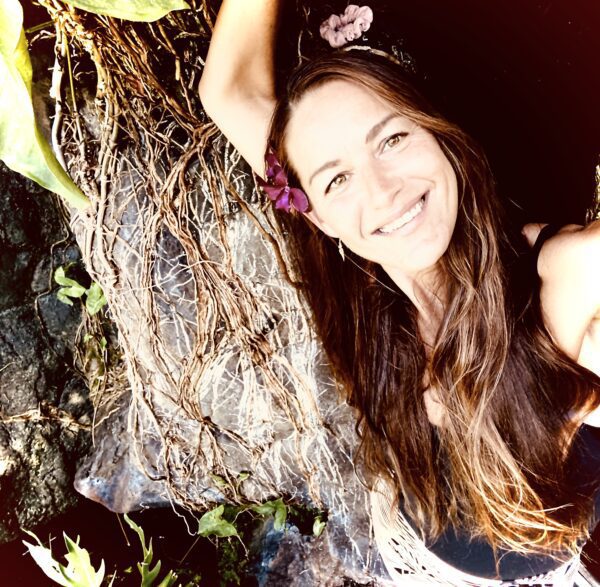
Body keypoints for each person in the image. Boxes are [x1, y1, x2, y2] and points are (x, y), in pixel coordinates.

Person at [199, 1, 600, 583]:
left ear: (438, 134)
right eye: (337, 177)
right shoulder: (363, 292)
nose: (383, 193)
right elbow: (230, 91)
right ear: (316, 216)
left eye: (391, 140)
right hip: (409, 553)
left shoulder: (563, 282)